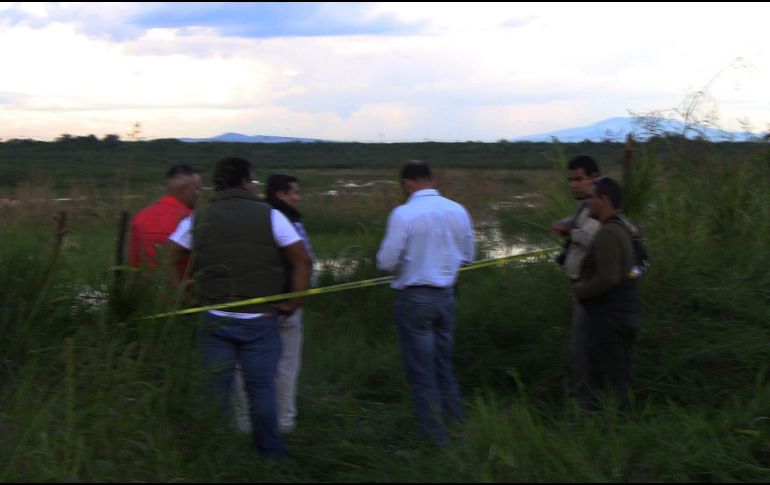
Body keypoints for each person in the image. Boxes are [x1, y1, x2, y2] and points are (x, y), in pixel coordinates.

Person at [168, 157, 311, 457]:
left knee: (216, 390)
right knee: (261, 390)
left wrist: (186, 296)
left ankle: (216, 455)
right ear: (247, 181)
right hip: (260, 319)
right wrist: (292, 303)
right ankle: (270, 455)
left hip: (215, 319)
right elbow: (302, 260)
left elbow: (170, 257)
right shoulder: (271, 216)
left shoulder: (198, 217)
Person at [376, 160, 475, 443]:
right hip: (447, 295)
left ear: (407, 183)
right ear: (431, 179)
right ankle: (457, 426)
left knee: (421, 372)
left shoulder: (403, 214)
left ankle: (435, 439)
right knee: (443, 365)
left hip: (415, 299)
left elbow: (385, 262)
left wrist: (411, 263)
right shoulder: (458, 210)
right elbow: (469, 255)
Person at [573, 177, 642, 410]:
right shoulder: (627, 225)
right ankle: (616, 426)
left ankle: (602, 429)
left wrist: (579, 290)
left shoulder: (608, 234)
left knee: (603, 379)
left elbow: (608, 278)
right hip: (625, 312)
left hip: (609, 318)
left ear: (604, 200)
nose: (586, 203)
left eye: (591, 197)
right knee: (618, 375)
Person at [264, 174, 315, 433]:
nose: (298, 197)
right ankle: (285, 422)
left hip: (260, 304)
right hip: (286, 305)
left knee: (254, 368)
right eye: (294, 192)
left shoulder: (257, 217)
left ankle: (248, 421)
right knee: (286, 365)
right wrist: (296, 301)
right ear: (281, 194)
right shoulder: (290, 221)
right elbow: (306, 261)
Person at [549, 155, 601, 396]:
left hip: (591, 291)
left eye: (579, 179)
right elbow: (577, 223)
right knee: (581, 348)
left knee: (584, 351)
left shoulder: (599, 205)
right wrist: (565, 224)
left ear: (593, 177)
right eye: (570, 180)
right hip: (580, 288)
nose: (573, 185)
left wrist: (570, 230)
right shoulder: (584, 205)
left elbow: (593, 238)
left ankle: (585, 407)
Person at [128, 164, 201, 277]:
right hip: (182, 290)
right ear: (184, 189)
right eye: (196, 188)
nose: (198, 194)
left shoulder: (140, 217)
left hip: (145, 289)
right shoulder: (192, 220)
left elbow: (133, 263)